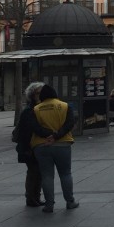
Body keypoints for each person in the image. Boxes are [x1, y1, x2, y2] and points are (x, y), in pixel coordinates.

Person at [31, 84, 78, 212]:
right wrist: (56, 136)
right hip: (63, 144)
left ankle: (49, 204)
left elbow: (35, 127)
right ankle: (70, 201)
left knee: (47, 176)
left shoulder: (36, 109)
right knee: (65, 173)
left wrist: (48, 136)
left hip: (42, 145)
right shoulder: (64, 106)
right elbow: (69, 124)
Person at [15, 82, 45, 207]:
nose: (41, 95)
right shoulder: (29, 110)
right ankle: (31, 197)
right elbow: (26, 131)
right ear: (32, 95)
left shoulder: (40, 108)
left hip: (39, 145)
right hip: (29, 146)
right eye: (38, 93)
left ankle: (36, 196)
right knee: (33, 171)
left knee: (39, 172)